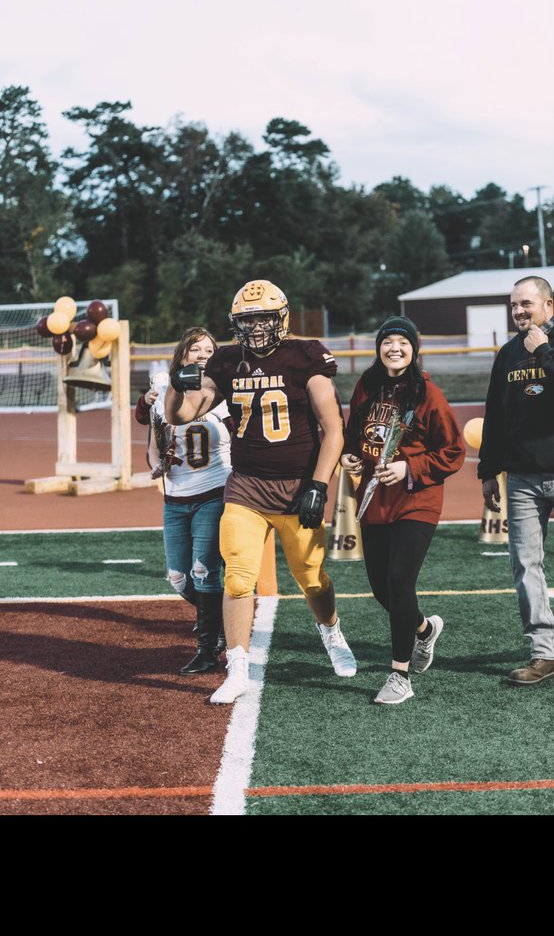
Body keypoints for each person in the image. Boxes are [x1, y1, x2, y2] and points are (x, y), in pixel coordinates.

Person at [165, 279, 356, 704]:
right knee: (237, 578)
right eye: (248, 320)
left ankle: (331, 631)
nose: (255, 327)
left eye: (264, 318)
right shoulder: (227, 361)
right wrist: (176, 385)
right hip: (246, 487)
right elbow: (181, 415)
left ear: (281, 318)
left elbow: (333, 428)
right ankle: (237, 669)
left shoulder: (306, 355)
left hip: (296, 488)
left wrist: (319, 485)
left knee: (312, 578)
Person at [341, 315, 465, 705]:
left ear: (414, 350)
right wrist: (349, 456)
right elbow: (354, 434)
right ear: (379, 348)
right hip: (374, 498)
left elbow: (454, 451)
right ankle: (425, 630)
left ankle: (399, 676)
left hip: (416, 500)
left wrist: (409, 468)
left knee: (399, 581)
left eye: (403, 343)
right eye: (388, 342)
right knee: (381, 588)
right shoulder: (366, 386)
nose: (395, 348)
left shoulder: (429, 394)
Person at [135, 326, 232, 674]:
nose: (203, 355)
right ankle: (222, 619)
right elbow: (153, 442)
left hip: (214, 492)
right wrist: (155, 464)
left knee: (205, 571)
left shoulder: (223, 392)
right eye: (196, 349)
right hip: (175, 497)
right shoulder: (166, 393)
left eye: (209, 350)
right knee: (178, 577)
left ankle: (208, 649)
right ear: (183, 354)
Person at [478, 275, 554, 684]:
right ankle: (544, 653)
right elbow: (495, 415)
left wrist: (543, 351)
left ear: (548, 306)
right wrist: (488, 470)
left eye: (526, 303)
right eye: (514, 305)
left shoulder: (545, 347)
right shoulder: (507, 354)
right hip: (523, 476)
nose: (519, 311)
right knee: (525, 564)